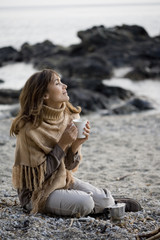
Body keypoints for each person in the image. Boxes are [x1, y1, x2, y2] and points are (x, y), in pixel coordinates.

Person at [10, 69, 141, 216]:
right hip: (36, 193)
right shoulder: (29, 128)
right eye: (57, 83)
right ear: (44, 95)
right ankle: (101, 206)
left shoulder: (69, 116)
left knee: (104, 199)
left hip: (62, 180)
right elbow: (37, 177)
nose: (65, 85)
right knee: (85, 203)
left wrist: (77, 144)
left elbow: (69, 167)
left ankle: (106, 204)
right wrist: (62, 144)